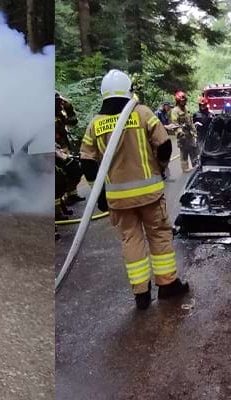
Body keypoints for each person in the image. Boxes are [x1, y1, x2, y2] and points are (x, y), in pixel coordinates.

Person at [80, 69, 190, 310]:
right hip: (149, 193)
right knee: (159, 234)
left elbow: (87, 161)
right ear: (128, 89)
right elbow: (163, 146)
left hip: (118, 199)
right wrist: (159, 168)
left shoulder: (95, 124)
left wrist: (99, 194)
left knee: (131, 240)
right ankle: (167, 285)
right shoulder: (142, 113)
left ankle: (141, 294)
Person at [56, 91, 83, 205]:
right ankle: (59, 201)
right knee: (59, 175)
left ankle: (72, 194)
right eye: (57, 102)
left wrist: (69, 108)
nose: (60, 103)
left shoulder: (60, 114)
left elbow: (73, 121)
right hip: (53, 151)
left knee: (75, 167)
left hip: (63, 147)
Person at [170, 90, 198, 172]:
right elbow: (175, 124)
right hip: (182, 135)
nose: (183, 102)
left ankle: (195, 167)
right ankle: (185, 169)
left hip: (190, 134)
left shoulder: (186, 109)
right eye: (181, 101)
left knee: (193, 150)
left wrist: (195, 132)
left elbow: (191, 122)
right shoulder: (175, 111)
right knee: (184, 153)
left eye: (184, 100)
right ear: (178, 101)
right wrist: (180, 133)